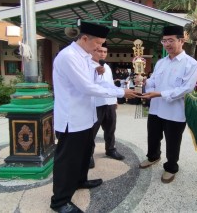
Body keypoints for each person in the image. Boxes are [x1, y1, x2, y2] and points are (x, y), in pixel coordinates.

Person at [50, 22, 138, 213]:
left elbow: (100, 84)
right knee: (67, 160)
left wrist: (119, 91)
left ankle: (80, 180)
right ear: (84, 38)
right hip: (71, 119)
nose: (100, 48)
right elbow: (87, 88)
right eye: (98, 43)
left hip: (86, 116)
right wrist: (122, 93)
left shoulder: (86, 58)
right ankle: (59, 201)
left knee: (83, 153)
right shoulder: (68, 57)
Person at [139, 25, 197, 183]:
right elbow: (153, 80)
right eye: (164, 41)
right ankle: (153, 157)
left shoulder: (190, 64)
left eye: (170, 40)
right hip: (156, 108)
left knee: (173, 141)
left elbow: (186, 89)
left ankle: (171, 167)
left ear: (182, 41)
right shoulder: (161, 62)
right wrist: (145, 83)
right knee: (153, 137)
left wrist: (159, 94)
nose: (167, 44)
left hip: (175, 112)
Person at [89, 43, 124, 169]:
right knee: (92, 131)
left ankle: (110, 149)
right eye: (100, 51)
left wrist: (115, 100)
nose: (102, 54)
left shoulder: (107, 67)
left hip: (109, 103)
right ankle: (88, 155)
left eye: (104, 51)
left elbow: (110, 85)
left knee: (110, 129)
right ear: (94, 51)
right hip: (95, 104)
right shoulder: (88, 66)